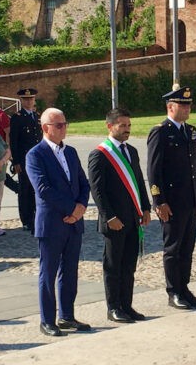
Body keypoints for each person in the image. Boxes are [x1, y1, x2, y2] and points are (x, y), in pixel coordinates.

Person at [26, 108, 92, 337]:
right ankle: (47, 320)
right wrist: (71, 208)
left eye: (65, 124)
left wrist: (81, 208)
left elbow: (84, 183)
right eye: (59, 125)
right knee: (48, 272)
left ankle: (66, 316)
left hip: (73, 222)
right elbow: (43, 189)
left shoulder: (71, 152)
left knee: (70, 271)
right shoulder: (35, 154)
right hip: (52, 222)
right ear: (46, 128)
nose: (64, 128)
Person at [88, 108, 152, 323]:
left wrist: (145, 208)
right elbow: (97, 190)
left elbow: (138, 181)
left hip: (133, 217)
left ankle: (127, 305)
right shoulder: (100, 154)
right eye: (122, 125)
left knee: (129, 266)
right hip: (114, 220)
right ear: (110, 126)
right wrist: (109, 216)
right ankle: (113, 307)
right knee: (113, 266)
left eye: (129, 126)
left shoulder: (131, 151)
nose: (127, 130)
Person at [147, 85, 196, 310]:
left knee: (187, 247)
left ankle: (184, 287)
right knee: (172, 248)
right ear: (170, 107)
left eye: (189, 104)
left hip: (189, 199)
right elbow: (154, 170)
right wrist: (158, 201)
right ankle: (173, 292)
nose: (187, 108)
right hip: (171, 202)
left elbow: (195, 165)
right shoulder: (160, 131)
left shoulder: (190, 130)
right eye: (183, 105)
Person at [9, 88, 42, 233]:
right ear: (21, 101)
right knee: (25, 190)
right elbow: (14, 141)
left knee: (37, 189)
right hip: (24, 159)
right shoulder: (17, 117)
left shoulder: (37, 116)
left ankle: (36, 215)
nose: (29, 102)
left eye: (31, 99)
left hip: (38, 159)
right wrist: (16, 162)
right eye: (26, 99)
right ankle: (26, 219)